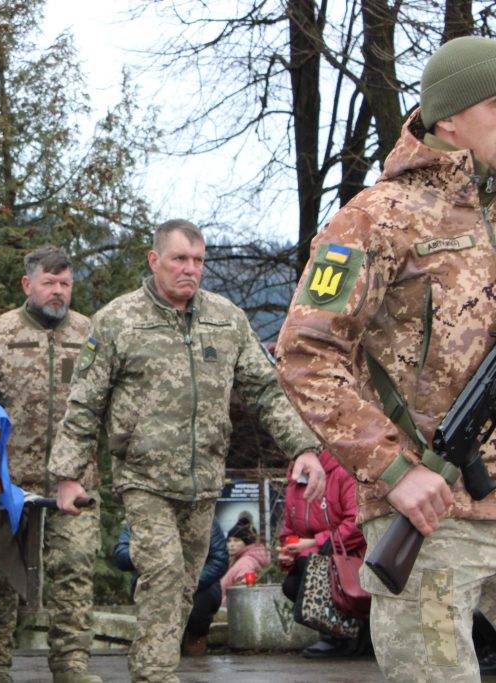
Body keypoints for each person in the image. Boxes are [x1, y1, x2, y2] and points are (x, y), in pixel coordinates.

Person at [275, 36, 496, 682]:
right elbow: (304, 352)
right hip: (427, 510)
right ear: (448, 118)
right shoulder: (373, 220)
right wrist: (394, 468)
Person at [50, 219, 325, 682]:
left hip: (203, 481)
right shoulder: (118, 320)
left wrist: (302, 446)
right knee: (162, 571)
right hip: (143, 478)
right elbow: (85, 402)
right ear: (154, 260)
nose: (190, 269)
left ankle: (152, 665)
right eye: (179, 259)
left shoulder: (227, 319)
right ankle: (156, 675)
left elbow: (266, 390)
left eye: (198, 261)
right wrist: (68, 474)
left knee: (184, 585)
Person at [0, 245, 100, 683]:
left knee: (75, 570)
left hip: (75, 481)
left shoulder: (91, 334)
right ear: (28, 285)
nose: (58, 292)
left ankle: (72, 665)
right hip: (9, 486)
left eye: (65, 284)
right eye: (49, 283)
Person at [277, 449, 366, 659]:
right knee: (292, 583)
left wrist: (314, 542)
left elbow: (357, 522)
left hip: (351, 554)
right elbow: (289, 530)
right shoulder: (295, 481)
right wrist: (288, 555)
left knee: (309, 566)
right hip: (318, 556)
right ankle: (337, 631)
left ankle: (344, 635)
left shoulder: (342, 473)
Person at [113, 519, 228, 656]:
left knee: (202, 601)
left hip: (196, 583)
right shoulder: (141, 517)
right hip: (154, 581)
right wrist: (145, 552)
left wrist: (188, 582)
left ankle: (195, 639)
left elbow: (219, 560)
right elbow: (121, 556)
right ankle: (153, 646)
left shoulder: (204, 518)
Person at [219, 516, 269, 598]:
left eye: (236, 540)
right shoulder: (237, 559)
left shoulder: (245, 563)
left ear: (246, 543)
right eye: (229, 540)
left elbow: (242, 594)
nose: (231, 544)